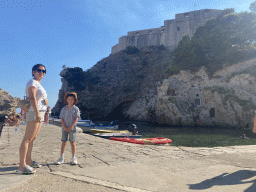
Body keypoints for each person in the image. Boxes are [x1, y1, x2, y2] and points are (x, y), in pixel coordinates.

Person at [16, 64, 47, 174]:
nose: (41, 72)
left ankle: (28, 161)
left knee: (32, 139)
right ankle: (21, 166)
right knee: (27, 139)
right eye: (39, 70)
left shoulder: (38, 83)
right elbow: (33, 98)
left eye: (44, 71)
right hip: (35, 112)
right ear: (33, 71)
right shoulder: (32, 82)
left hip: (39, 112)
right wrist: (38, 113)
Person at [55, 92, 80, 165]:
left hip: (72, 129)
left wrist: (70, 127)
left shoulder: (76, 109)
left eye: (72, 99)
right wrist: (65, 127)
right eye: (69, 99)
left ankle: (73, 157)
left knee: (72, 142)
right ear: (66, 100)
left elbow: (76, 118)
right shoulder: (64, 109)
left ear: (74, 100)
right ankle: (61, 157)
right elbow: (61, 118)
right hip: (64, 129)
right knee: (64, 142)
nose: (70, 100)